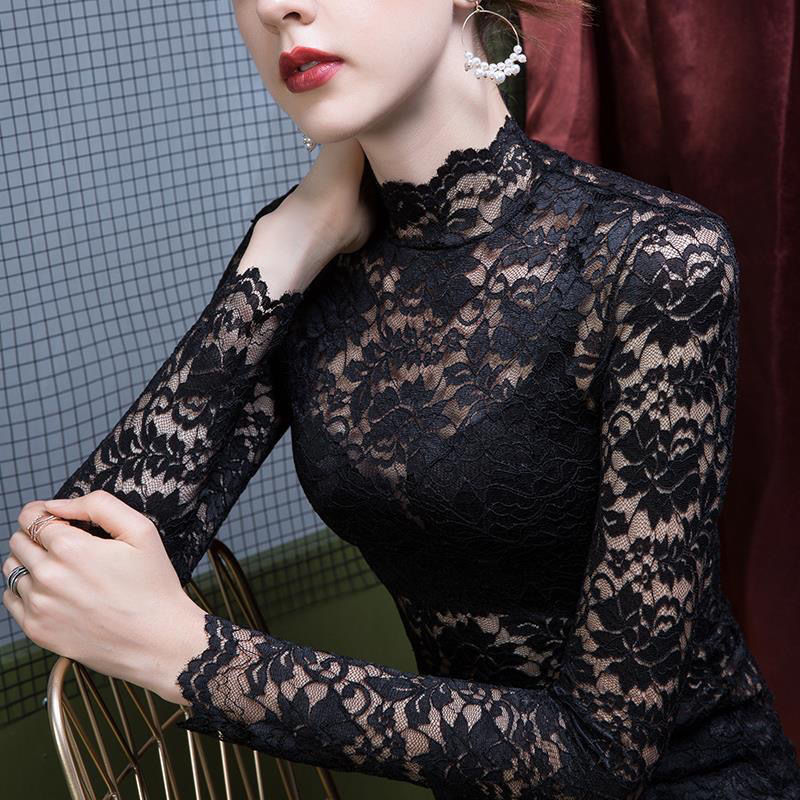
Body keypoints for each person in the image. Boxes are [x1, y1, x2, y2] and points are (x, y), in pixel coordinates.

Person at [7, 1, 800, 797]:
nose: (278, 7)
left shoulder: (656, 258)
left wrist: (191, 654)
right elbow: (64, 569)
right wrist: (285, 247)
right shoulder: (303, 256)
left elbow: (603, 753)